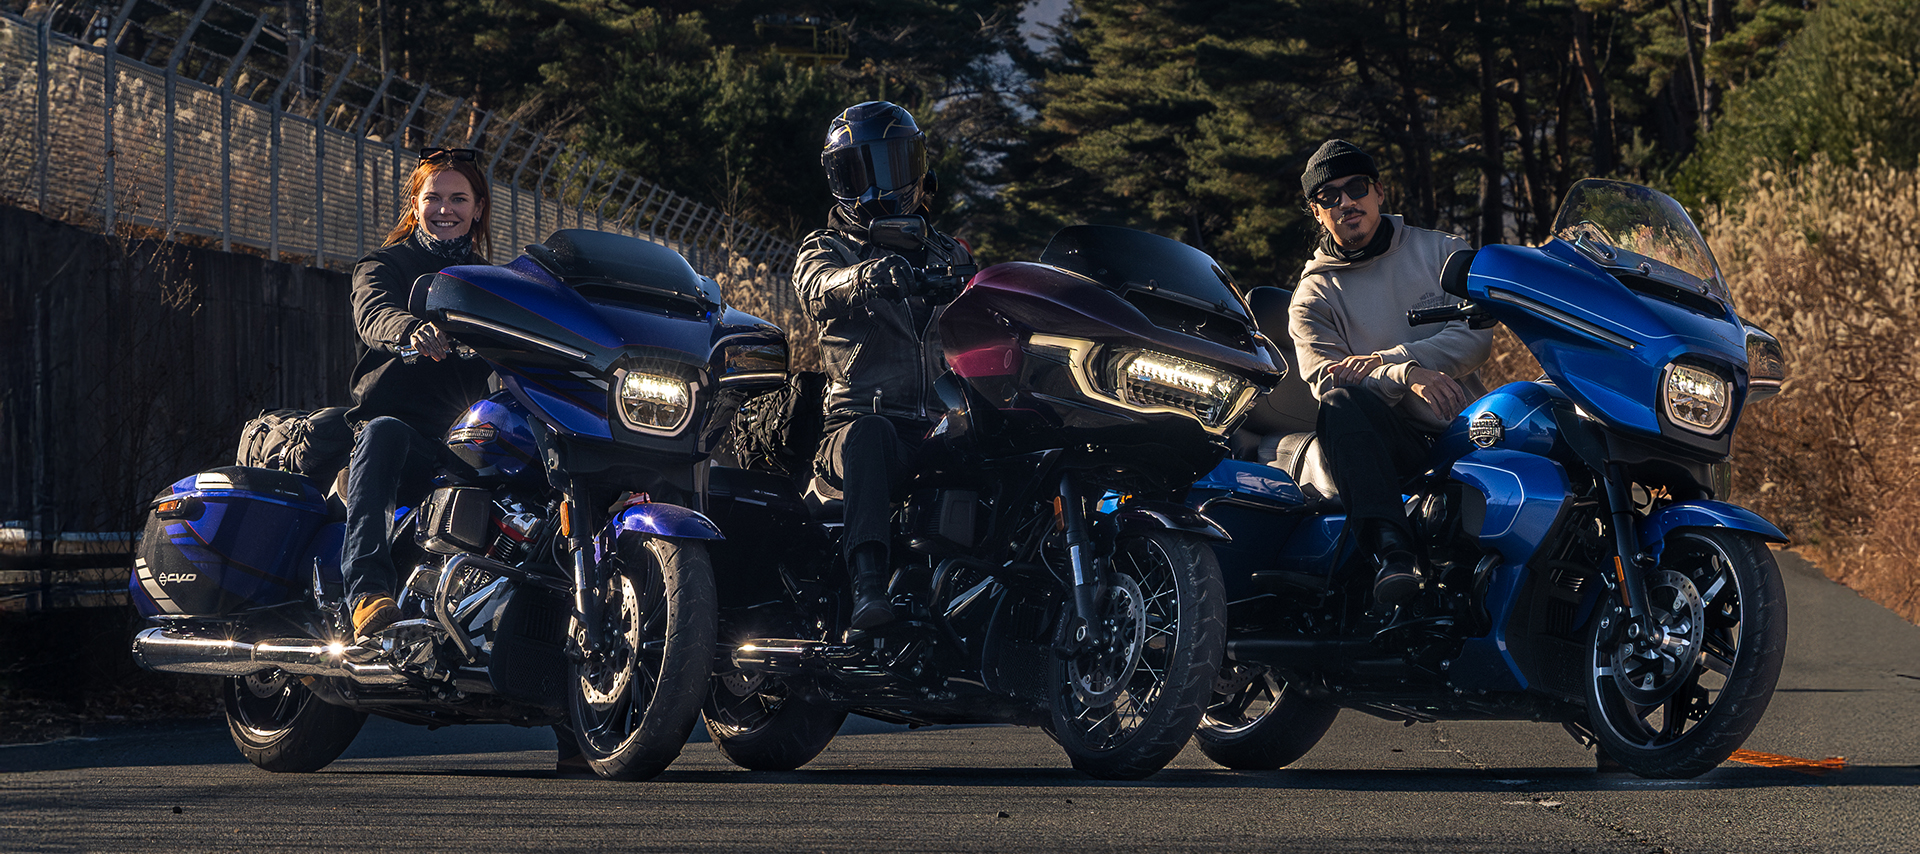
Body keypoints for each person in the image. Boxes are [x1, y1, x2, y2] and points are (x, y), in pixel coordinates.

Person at [1286, 139, 1493, 607]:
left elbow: (1476, 336)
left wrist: (1391, 360)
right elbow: (1327, 379)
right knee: (1340, 405)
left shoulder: (1442, 252)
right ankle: (1393, 557)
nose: (1345, 203)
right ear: (1316, 212)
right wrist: (1404, 375)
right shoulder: (1312, 296)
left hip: (1468, 431)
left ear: (1379, 191)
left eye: (1355, 187)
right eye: (1328, 197)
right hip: (1387, 447)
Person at [793, 101, 975, 630]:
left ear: (916, 168)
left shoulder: (951, 254)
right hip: (856, 430)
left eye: (888, 165)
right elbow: (815, 288)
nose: (875, 185)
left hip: (941, 429)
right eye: (857, 170)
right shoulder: (826, 247)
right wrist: (867, 277)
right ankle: (868, 588)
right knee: (870, 433)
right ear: (837, 180)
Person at [341, 147, 495, 640]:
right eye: (434, 198)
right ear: (415, 205)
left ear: (478, 207)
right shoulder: (385, 263)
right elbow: (373, 312)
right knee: (385, 432)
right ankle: (367, 592)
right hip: (398, 434)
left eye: (458, 198)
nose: (445, 209)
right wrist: (409, 330)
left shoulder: (495, 282)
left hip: (467, 436)